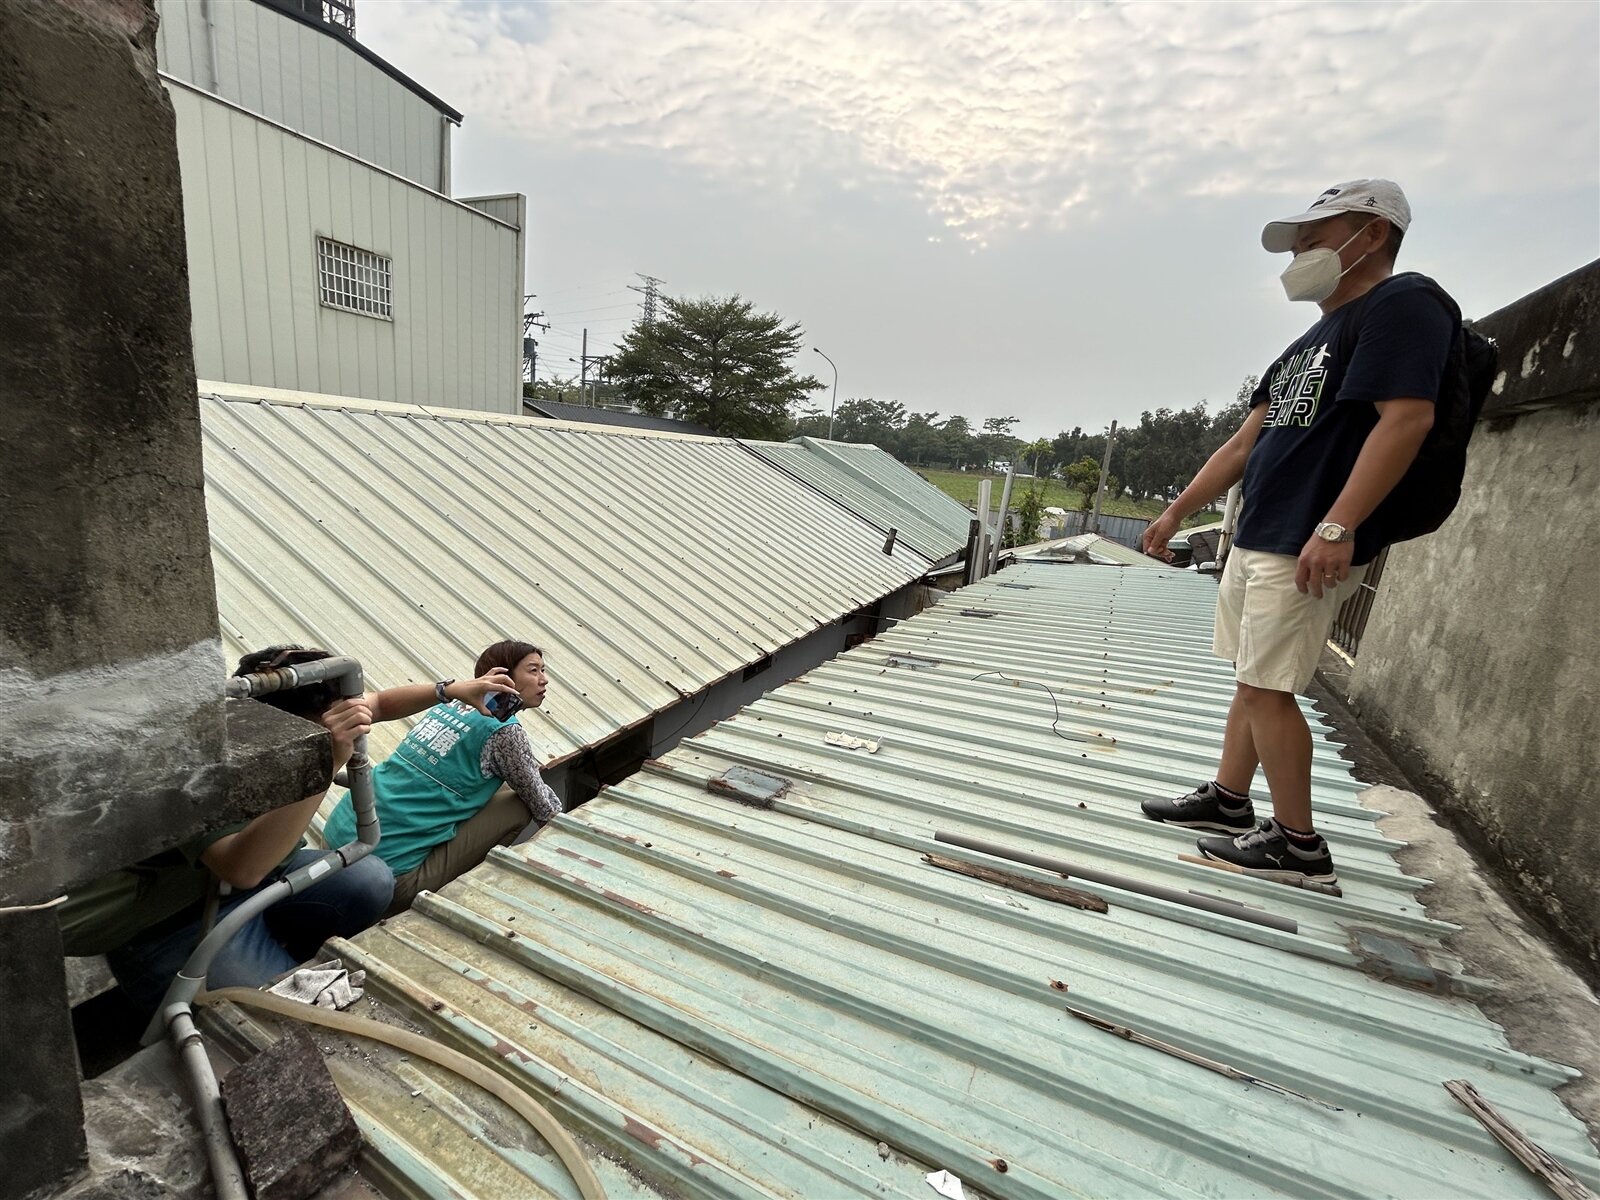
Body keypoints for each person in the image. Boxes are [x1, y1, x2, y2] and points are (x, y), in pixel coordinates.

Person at [1140, 179, 1457, 884]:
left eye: (1313, 240)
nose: (1299, 256)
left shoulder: (1404, 304)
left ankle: (1298, 846)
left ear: (1370, 234)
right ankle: (1228, 802)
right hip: (1261, 535)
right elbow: (1241, 447)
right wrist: (1174, 512)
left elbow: (1407, 418)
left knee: (1269, 687)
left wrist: (1339, 524)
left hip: (1306, 540)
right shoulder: (1302, 346)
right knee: (1253, 677)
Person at [321, 640, 563, 914]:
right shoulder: (505, 731)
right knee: (519, 804)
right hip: (383, 879)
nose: (543, 680)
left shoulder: (448, 705)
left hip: (334, 842)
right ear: (503, 677)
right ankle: (455, 890)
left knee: (499, 782)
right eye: (533, 671)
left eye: (543, 671)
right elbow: (546, 808)